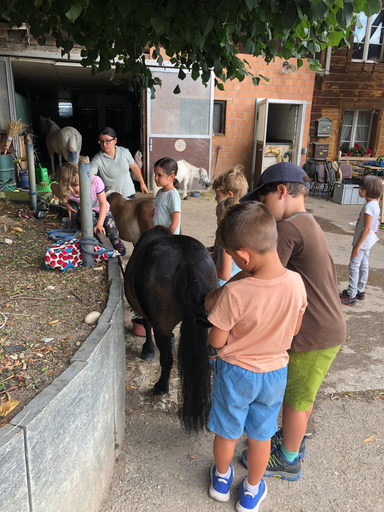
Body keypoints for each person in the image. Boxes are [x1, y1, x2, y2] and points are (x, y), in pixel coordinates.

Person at [230, 162, 345, 482]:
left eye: (264, 200)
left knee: (295, 401)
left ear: (281, 192)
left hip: (314, 331)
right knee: (303, 395)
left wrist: (223, 293)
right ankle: (292, 440)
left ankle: (288, 458)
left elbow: (259, 270)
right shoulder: (307, 221)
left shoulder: (289, 228)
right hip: (324, 328)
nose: (264, 209)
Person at [206, 201, 307, 512]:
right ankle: (251, 491)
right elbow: (294, 330)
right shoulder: (296, 284)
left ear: (244, 257)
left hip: (236, 373)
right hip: (275, 373)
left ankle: (222, 481)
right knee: (261, 434)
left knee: (227, 430)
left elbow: (216, 339)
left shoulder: (236, 293)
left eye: (233, 257)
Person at [52, 162, 126, 256]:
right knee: (92, 230)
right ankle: (99, 248)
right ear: (67, 185)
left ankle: (115, 241)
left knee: (112, 232)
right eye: (76, 185)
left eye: (82, 182)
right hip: (86, 211)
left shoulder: (95, 181)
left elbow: (103, 204)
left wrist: (100, 224)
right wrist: (66, 204)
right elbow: (53, 186)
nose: (81, 186)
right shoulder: (67, 191)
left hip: (101, 209)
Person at [339, 175, 382, 306]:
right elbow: (374, 225)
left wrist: (357, 246)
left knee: (354, 266)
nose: (359, 191)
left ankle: (351, 295)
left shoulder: (369, 207)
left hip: (363, 241)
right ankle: (360, 291)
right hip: (368, 241)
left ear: (370, 190)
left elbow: (367, 228)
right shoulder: (375, 204)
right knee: (364, 265)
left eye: (361, 188)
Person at [90, 127, 148, 199]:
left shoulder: (124, 152)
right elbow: (90, 177)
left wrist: (142, 183)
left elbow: (134, 167)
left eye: (107, 141)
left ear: (115, 140)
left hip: (129, 193)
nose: (104, 145)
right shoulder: (97, 159)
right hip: (112, 198)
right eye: (101, 141)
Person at [207, 164, 249, 261]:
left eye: (218, 195)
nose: (215, 198)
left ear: (230, 195)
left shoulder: (230, 229)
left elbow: (225, 270)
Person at [215, 197, 241, 286]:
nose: (217, 221)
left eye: (218, 218)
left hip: (223, 286)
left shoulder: (225, 245)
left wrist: (209, 266)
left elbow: (224, 275)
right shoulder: (240, 239)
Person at [152, 157, 181, 234]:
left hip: (168, 239)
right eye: (155, 174)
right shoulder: (159, 192)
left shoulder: (173, 195)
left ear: (171, 177)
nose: (155, 178)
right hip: (159, 235)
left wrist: (167, 238)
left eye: (159, 175)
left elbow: (175, 221)